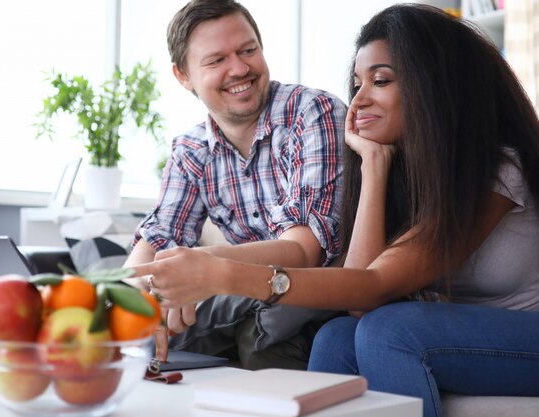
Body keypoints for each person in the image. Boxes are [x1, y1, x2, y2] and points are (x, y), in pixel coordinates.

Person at [132, 4, 539, 417]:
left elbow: (374, 284)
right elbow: (361, 298)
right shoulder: (401, 168)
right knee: (337, 336)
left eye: (380, 81)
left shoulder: (498, 170)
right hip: (448, 330)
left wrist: (221, 272)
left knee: (389, 331)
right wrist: (375, 167)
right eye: (357, 83)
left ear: (434, 85)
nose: (358, 100)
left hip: (523, 335)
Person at [124, 0, 346, 370]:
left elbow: (305, 252)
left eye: (248, 50)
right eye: (216, 60)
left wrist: (200, 266)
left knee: (260, 329)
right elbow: (156, 239)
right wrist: (127, 299)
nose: (240, 69)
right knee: (132, 330)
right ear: (183, 76)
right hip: (248, 295)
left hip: (316, 291)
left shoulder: (312, 112)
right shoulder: (191, 149)